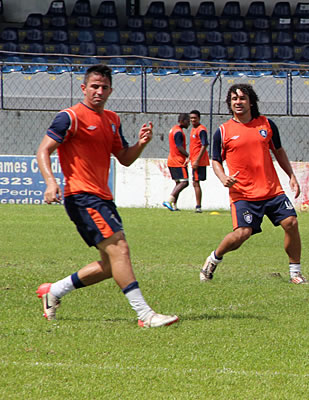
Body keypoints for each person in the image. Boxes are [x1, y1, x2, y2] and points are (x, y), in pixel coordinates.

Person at [35, 64, 178, 328]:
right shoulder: (70, 117)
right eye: (94, 87)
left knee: (111, 264)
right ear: (83, 88)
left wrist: (141, 144)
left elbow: (123, 158)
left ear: (110, 90)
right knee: (120, 249)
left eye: (104, 87)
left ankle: (53, 291)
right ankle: (145, 315)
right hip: (81, 196)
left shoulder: (112, 120)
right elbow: (43, 150)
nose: (99, 91)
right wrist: (50, 183)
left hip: (102, 197)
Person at [200, 83, 309, 284]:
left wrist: (291, 175)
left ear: (251, 101)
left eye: (242, 98)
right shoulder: (223, 131)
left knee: (291, 222)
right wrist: (223, 178)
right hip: (243, 194)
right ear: (229, 103)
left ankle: (295, 273)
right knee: (242, 234)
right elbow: (215, 160)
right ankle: (214, 258)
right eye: (234, 99)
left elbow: (278, 151)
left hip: (272, 190)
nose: (238, 102)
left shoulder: (266, 124)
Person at [162, 113, 190, 211]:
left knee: (178, 183)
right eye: (188, 121)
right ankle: (168, 200)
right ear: (182, 121)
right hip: (178, 161)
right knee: (185, 182)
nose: (189, 123)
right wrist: (188, 156)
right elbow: (179, 146)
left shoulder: (173, 129)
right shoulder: (178, 132)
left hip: (171, 160)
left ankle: (174, 205)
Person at [188, 109, 209, 213]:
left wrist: (196, 160)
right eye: (191, 118)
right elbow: (194, 146)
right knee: (195, 182)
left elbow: (204, 144)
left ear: (199, 118)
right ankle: (198, 205)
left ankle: (198, 206)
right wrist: (189, 158)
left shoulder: (201, 130)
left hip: (198, 161)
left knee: (196, 182)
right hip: (194, 160)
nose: (193, 120)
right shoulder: (193, 130)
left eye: (195, 118)